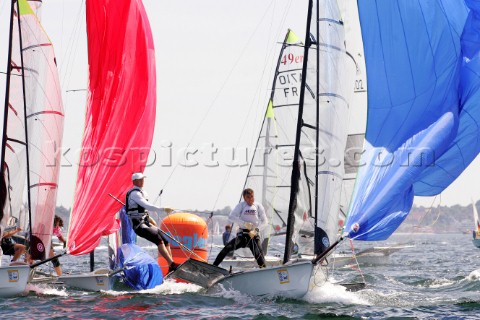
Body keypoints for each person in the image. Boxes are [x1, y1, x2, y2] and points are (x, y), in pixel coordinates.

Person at [126, 172, 179, 272]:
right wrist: (163, 209)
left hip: (145, 222)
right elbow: (148, 206)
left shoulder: (142, 192)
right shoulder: (135, 194)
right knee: (158, 239)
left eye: (143, 179)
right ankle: (171, 264)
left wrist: (149, 218)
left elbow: (143, 210)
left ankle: (171, 265)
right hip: (139, 226)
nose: (142, 181)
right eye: (140, 180)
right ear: (135, 181)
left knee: (165, 240)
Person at [213, 188, 268, 268]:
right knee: (227, 248)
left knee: (260, 256)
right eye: (248, 197)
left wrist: (256, 230)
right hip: (243, 236)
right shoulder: (241, 205)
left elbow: (265, 222)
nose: (250, 199)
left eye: (252, 196)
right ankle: (214, 267)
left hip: (254, 235)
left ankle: (264, 271)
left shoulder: (258, 206)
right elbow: (231, 217)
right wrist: (245, 224)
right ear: (244, 198)